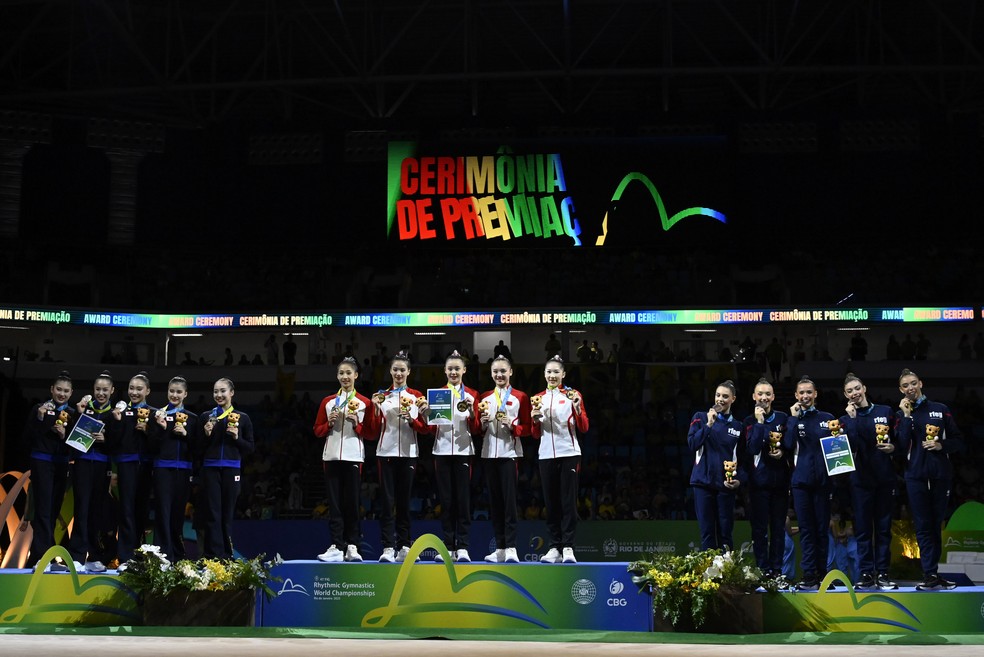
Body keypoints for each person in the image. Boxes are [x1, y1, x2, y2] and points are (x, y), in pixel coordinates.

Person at [896, 368, 964, 590]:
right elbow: (900, 445)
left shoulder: (940, 409)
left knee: (935, 526)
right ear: (901, 390)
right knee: (923, 527)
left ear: (920, 383)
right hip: (915, 476)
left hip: (940, 475)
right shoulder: (901, 415)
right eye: (905, 386)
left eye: (913, 383)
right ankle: (929, 575)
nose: (910, 388)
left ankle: (935, 573)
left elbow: (958, 440)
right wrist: (905, 416)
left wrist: (940, 445)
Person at [364, 350, 428, 563]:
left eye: (402, 370)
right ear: (390, 371)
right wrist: (374, 408)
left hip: (409, 453)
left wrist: (411, 419)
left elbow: (424, 429)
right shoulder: (381, 396)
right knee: (387, 501)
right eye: (395, 370)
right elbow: (372, 431)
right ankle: (388, 547)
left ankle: (404, 546)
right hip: (386, 453)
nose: (398, 373)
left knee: (404, 502)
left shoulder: (417, 396)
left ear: (409, 371)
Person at [418, 350, 479, 562]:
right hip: (441, 451)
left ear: (464, 370)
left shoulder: (472, 395)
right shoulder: (437, 394)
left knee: (462, 500)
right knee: (446, 501)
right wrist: (426, 414)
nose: (453, 372)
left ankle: (462, 547)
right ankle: (448, 546)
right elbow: (429, 429)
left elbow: (478, 427)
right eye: (450, 368)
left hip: (463, 452)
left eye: (457, 368)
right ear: (445, 371)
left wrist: (472, 413)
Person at [840, 373, 898, 590]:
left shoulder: (885, 411)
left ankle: (883, 573)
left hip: (884, 479)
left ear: (864, 387)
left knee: (883, 530)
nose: (854, 393)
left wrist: (894, 447)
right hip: (859, 481)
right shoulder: (845, 420)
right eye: (849, 391)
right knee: (863, 530)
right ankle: (866, 573)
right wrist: (853, 421)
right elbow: (851, 446)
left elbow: (898, 440)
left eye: (857, 388)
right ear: (845, 395)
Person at [312, 356, 371, 563]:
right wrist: (328, 424)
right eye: (341, 373)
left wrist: (357, 425)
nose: (345, 376)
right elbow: (317, 431)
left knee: (352, 503)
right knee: (335, 504)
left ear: (356, 375)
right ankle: (337, 545)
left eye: (349, 373)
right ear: (337, 376)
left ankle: (352, 545)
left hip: (354, 456)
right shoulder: (328, 402)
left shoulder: (365, 402)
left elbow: (371, 432)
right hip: (331, 457)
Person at [531, 355, 588, 563]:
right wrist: (535, 420)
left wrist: (579, 408)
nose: (552, 375)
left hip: (569, 453)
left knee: (568, 503)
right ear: (544, 374)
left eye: (556, 372)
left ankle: (568, 548)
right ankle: (554, 547)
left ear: (563, 374)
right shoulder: (537, 399)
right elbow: (535, 435)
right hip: (546, 454)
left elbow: (584, 427)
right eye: (549, 372)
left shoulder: (573, 395)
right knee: (551, 503)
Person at [785, 375, 839, 591]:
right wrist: (791, 419)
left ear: (815, 394)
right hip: (800, 483)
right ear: (796, 396)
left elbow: (837, 448)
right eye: (802, 392)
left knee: (821, 530)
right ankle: (809, 575)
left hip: (823, 483)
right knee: (807, 530)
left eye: (809, 392)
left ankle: (823, 574)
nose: (805, 396)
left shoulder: (828, 418)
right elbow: (788, 445)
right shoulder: (793, 420)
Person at [477, 355, 532, 563]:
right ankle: (499, 548)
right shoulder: (485, 397)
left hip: (510, 454)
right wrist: (481, 424)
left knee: (509, 503)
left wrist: (512, 425)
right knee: (495, 503)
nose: (499, 375)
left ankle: (511, 548)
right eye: (495, 372)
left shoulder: (521, 397)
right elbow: (477, 429)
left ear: (511, 372)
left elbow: (527, 429)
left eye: (503, 371)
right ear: (491, 374)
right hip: (489, 453)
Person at [198, 378, 254, 558]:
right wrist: (206, 435)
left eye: (223, 391)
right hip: (210, 470)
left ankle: (226, 556)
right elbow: (197, 448)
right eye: (215, 391)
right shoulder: (206, 417)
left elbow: (250, 449)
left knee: (227, 514)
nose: (218, 395)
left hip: (232, 470)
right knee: (212, 514)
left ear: (232, 393)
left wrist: (237, 437)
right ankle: (211, 556)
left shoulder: (243, 418)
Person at [25, 371, 75, 570]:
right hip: (42, 463)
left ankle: (40, 556)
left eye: (66, 391)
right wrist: (39, 419)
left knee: (53, 510)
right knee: (44, 510)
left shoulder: (72, 414)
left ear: (71, 393)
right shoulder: (40, 409)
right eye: (59, 390)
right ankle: (42, 557)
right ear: (51, 390)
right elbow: (27, 438)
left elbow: (75, 445)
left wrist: (64, 435)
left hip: (61, 464)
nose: (62, 394)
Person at [106, 371, 158, 566]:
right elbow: (113, 442)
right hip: (126, 465)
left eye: (139, 389)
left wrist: (148, 430)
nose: (134, 392)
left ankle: (138, 553)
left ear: (148, 391)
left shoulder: (153, 413)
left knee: (141, 510)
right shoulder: (120, 412)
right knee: (126, 509)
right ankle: (125, 556)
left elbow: (156, 445)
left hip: (145, 466)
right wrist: (117, 422)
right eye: (131, 388)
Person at [67, 371, 115, 573]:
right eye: (98, 389)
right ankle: (77, 556)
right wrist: (78, 413)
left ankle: (94, 556)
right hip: (83, 464)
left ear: (112, 391)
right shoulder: (85, 409)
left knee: (97, 512)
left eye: (105, 390)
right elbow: (70, 438)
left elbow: (121, 444)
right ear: (93, 390)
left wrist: (107, 440)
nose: (101, 393)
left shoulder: (115, 414)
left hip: (102, 466)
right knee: (81, 509)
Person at [742, 378, 790, 579]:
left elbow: (790, 446)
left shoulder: (783, 418)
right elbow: (752, 449)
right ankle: (763, 569)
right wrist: (760, 422)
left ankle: (777, 571)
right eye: (760, 394)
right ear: (754, 397)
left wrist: (783, 455)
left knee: (778, 530)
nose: (764, 397)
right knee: (760, 530)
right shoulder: (748, 421)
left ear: (773, 397)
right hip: (758, 485)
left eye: (767, 394)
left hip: (780, 483)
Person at [687, 379, 743, 551]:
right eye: (718, 395)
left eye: (725, 396)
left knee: (725, 533)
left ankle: (727, 574)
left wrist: (738, 480)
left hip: (725, 486)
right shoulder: (700, 418)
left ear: (733, 399)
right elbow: (692, 444)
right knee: (707, 533)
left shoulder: (738, 426)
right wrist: (709, 425)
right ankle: (709, 575)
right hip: (702, 484)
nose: (720, 399)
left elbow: (742, 459)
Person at [151, 376, 199, 563]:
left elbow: (198, 449)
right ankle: (162, 557)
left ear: (185, 394)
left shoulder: (193, 419)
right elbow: (151, 446)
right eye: (172, 391)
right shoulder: (157, 416)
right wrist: (162, 428)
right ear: (167, 392)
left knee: (178, 514)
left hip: (184, 471)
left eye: (179, 392)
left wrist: (186, 435)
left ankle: (178, 557)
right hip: (162, 470)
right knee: (162, 513)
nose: (175, 395)